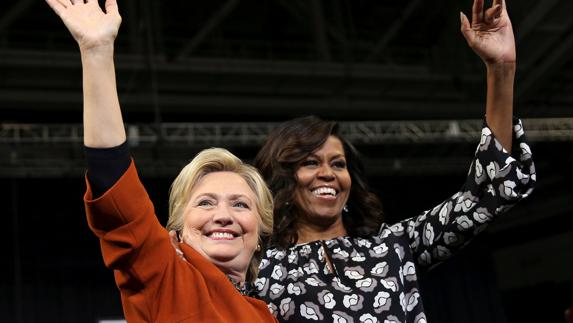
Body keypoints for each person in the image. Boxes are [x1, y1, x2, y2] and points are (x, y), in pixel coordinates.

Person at [251, 0, 536, 322]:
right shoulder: (257, 265)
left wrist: (501, 69)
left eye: (339, 164)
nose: (328, 174)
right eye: (310, 163)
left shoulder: (393, 247)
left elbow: (490, 188)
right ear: (283, 175)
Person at [45, 0, 278, 322]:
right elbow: (118, 196)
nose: (223, 216)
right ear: (175, 232)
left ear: (262, 230)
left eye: (240, 205)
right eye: (205, 203)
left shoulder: (268, 315)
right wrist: (96, 52)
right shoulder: (166, 276)